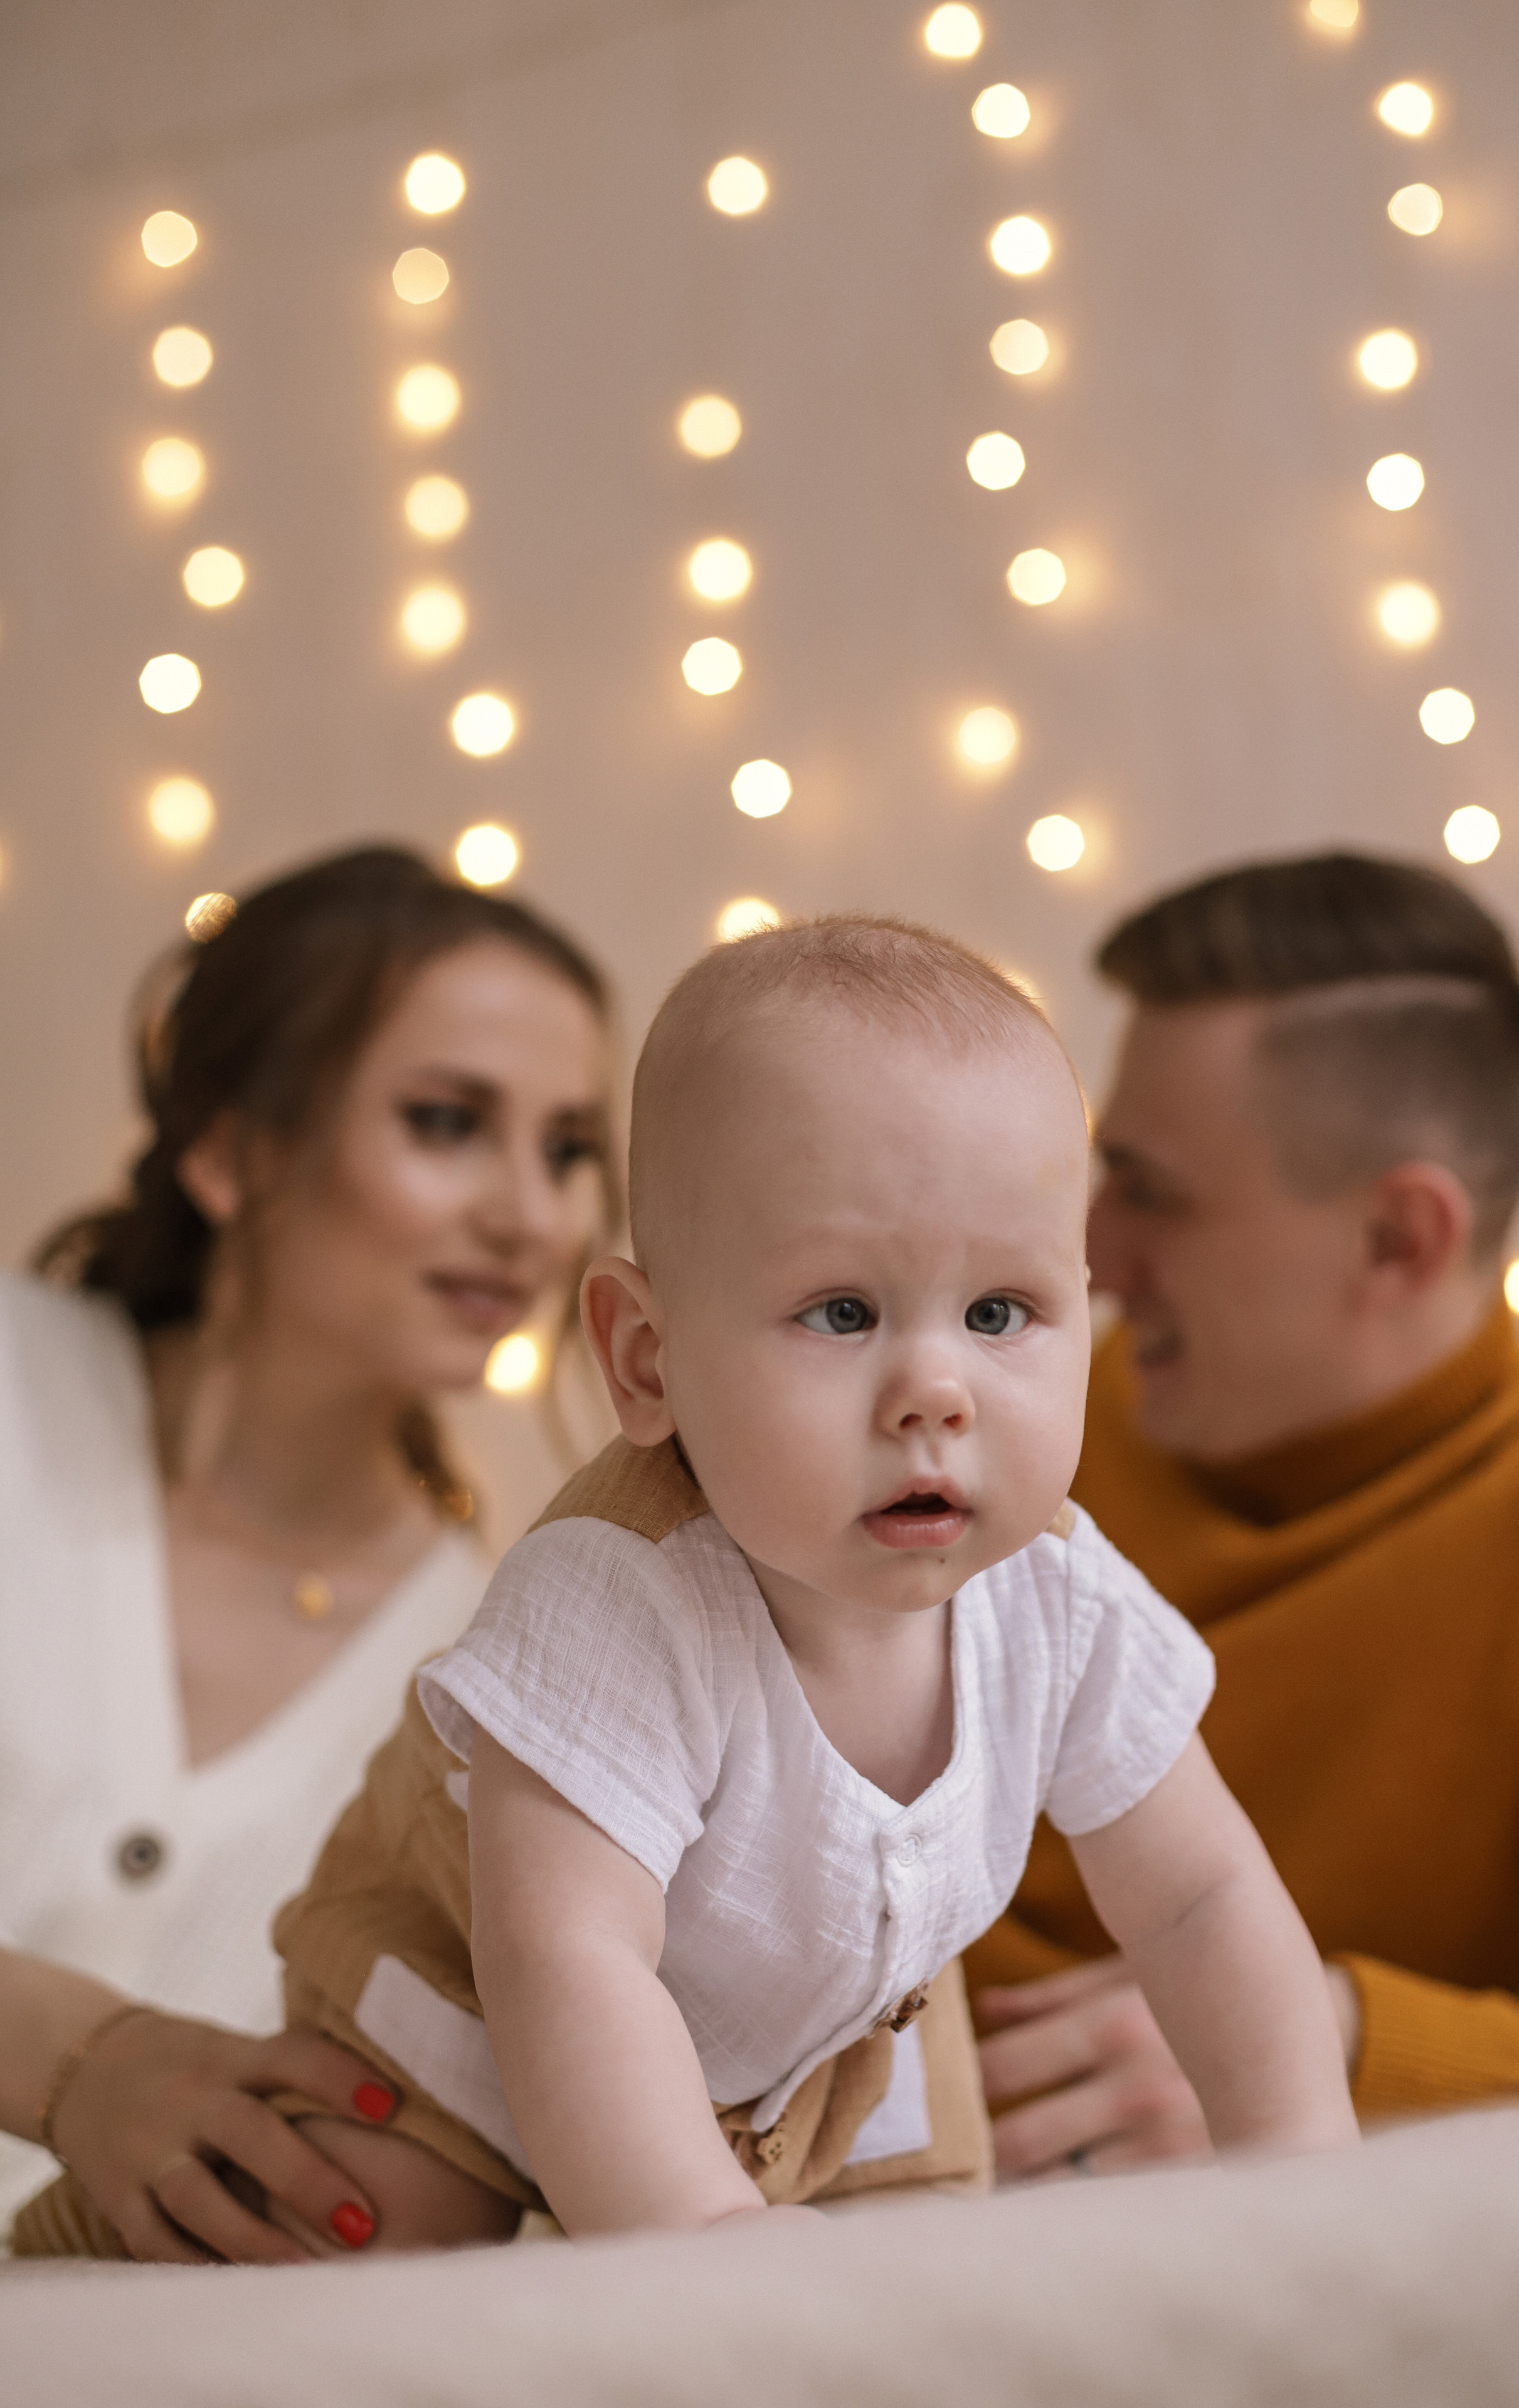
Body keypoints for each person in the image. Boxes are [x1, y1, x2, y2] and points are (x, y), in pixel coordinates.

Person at [87, 907, 1363, 2260]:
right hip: (474, 2018)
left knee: (940, 2285)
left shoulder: (1058, 1600)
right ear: (645, 1361)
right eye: (840, 1313)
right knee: (377, 2227)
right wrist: (703, 2254)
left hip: (830, 2047)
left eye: (1000, 1314)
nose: (936, 1392)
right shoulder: (617, 1602)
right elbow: (565, 1960)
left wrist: (1302, 2183)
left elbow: (1199, 1896)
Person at [1, 845, 617, 2262]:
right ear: (229, 1149)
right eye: (447, 1121)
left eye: (567, 1147)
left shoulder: (495, 1672)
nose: (530, 1216)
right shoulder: (15, 1389)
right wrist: (76, 2056)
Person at [965, 852, 1519, 2180]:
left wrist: (1331, 2047)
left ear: (1395, 1241)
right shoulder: (1006, 1413)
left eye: (1151, 1191)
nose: (1089, 1253)